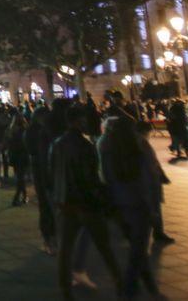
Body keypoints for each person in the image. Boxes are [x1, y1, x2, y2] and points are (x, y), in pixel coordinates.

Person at [50, 106, 121, 299]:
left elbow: (52, 174)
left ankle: (65, 289)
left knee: (65, 249)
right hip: (85, 203)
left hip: (65, 203)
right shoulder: (84, 146)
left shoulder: (56, 144)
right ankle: (120, 281)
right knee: (104, 245)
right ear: (76, 121)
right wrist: (101, 198)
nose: (86, 123)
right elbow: (89, 178)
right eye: (82, 120)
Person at [98, 116, 160, 299]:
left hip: (117, 201)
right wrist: (154, 206)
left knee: (137, 246)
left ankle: (150, 287)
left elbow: (104, 176)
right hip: (138, 201)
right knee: (138, 249)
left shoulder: (106, 147)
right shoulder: (137, 147)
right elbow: (149, 176)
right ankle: (129, 288)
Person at [135, 122, 174, 244]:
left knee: (152, 208)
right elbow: (151, 162)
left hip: (147, 180)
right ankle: (157, 233)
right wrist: (159, 175)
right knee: (153, 208)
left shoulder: (136, 142)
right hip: (148, 181)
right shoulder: (142, 143)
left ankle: (156, 232)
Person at [25, 109, 56, 253]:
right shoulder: (39, 132)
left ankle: (51, 236)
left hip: (43, 171)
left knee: (48, 206)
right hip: (41, 171)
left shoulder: (42, 131)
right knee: (45, 206)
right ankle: (48, 238)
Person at [6, 113, 29, 206]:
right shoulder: (25, 130)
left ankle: (24, 195)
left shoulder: (10, 130)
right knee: (21, 178)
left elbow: (8, 144)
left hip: (14, 156)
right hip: (22, 156)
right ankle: (16, 198)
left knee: (20, 177)